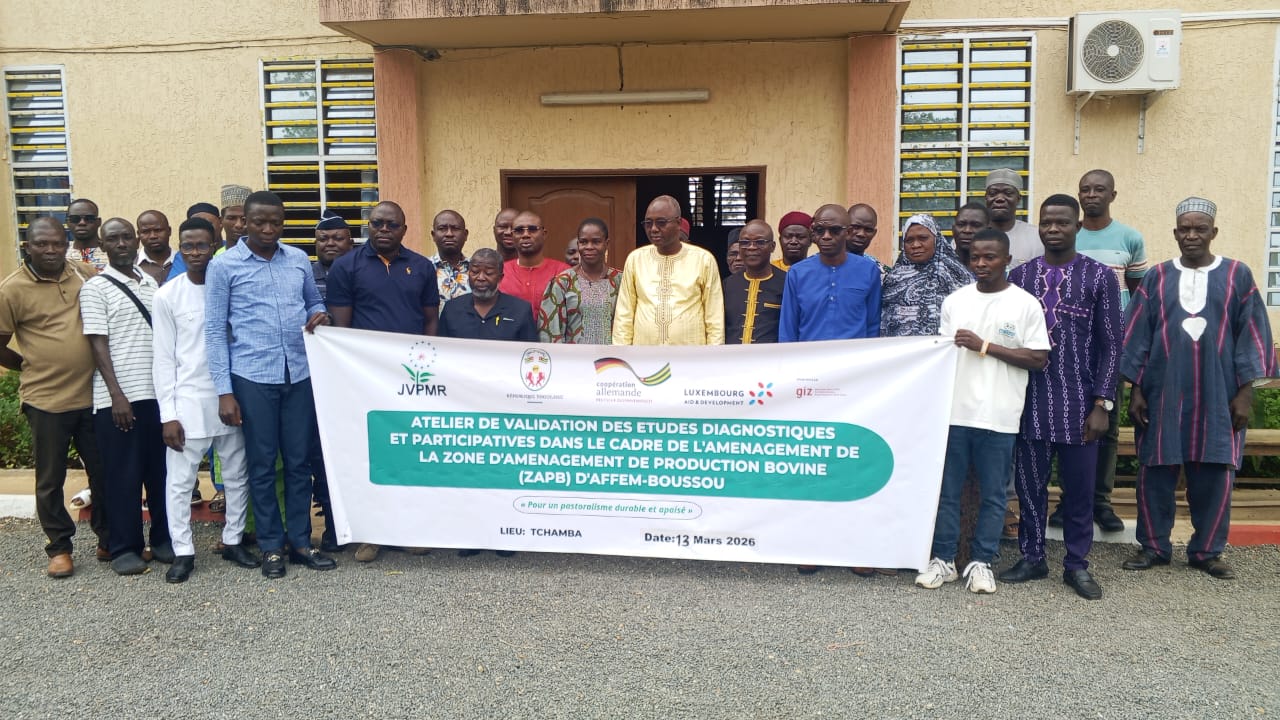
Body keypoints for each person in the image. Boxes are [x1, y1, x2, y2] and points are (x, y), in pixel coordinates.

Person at [1120, 197, 1277, 580]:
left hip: (1218, 393)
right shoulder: (1157, 277)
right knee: (1155, 470)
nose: (1191, 235)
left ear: (1213, 233)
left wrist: (1245, 392)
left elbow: (1252, 333)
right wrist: (1136, 389)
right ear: (1175, 234)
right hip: (1163, 391)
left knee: (1215, 470)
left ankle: (1207, 551)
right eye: (1184, 229)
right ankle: (1154, 547)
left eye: (1199, 229)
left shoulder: (1237, 274)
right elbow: (1138, 333)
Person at [205, 190, 336, 579]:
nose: (267, 229)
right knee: (262, 464)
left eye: (275, 222)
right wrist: (224, 391)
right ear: (243, 222)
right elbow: (214, 331)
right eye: (258, 221)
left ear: (283, 223)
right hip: (252, 376)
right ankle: (270, 546)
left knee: (298, 462)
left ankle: (300, 542)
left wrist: (320, 315)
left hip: (298, 373)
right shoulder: (225, 267)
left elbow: (314, 302)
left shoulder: (297, 259)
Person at [915, 229, 1050, 594]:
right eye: (975, 257)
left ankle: (981, 562)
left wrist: (985, 346)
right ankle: (943, 560)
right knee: (948, 492)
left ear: (1007, 260)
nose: (981, 264)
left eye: (990, 257)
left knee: (993, 495)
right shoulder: (955, 301)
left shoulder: (1025, 304)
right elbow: (941, 354)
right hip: (955, 412)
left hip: (1000, 414)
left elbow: (1038, 358)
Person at [1000, 194, 1120, 601]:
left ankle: (1076, 564)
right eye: (1047, 222)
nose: (1054, 229)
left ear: (1077, 227)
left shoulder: (1100, 277)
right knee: (1030, 486)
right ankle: (1032, 557)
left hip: (1080, 404)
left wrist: (1103, 402)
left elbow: (1112, 345)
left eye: (1063, 223)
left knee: (1079, 489)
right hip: (1029, 402)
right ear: (1039, 226)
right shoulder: (1020, 277)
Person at [326, 201, 440, 563]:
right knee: (370, 455)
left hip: (410, 377)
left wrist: (428, 370)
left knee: (407, 453)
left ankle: (406, 530)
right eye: (377, 223)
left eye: (392, 224)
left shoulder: (421, 267)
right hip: (365, 377)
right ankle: (370, 534)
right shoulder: (347, 267)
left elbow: (430, 322)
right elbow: (341, 329)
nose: (384, 230)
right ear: (368, 226)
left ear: (404, 229)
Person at [0, 217, 106, 578]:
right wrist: (30, 365)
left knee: (103, 472)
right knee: (50, 479)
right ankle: (59, 548)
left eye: (57, 244)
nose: (50, 250)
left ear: (67, 244)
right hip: (46, 401)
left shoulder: (84, 273)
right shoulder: (11, 289)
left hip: (94, 396)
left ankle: (108, 538)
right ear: (27, 247)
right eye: (42, 244)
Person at [153, 217, 257, 583]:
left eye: (202, 245)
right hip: (189, 401)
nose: (195, 252)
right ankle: (183, 550)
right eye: (188, 246)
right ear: (180, 249)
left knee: (236, 474)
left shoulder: (230, 285)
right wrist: (168, 414)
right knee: (180, 482)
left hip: (232, 397)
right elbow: (163, 358)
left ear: (215, 245)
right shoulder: (167, 295)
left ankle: (232, 540)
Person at [1049, 169, 1150, 533]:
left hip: (1110, 349)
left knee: (1105, 425)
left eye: (1099, 189)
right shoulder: (1065, 233)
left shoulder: (1129, 238)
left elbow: (1138, 297)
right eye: (1085, 189)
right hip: (1067, 348)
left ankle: (1100, 502)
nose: (1091, 195)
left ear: (1113, 194)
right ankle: (1067, 500)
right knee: (1063, 424)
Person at [79, 218, 172, 576]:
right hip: (118, 400)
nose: (121, 243)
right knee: (123, 477)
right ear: (103, 246)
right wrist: (117, 395)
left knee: (160, 473)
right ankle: (125, 547)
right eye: (112, 239)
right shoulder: (95, 288)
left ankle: (163, 540)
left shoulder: (150, 282)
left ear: (136, 240)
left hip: (157, 396)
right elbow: (97, 343)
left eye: (126, 237)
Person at [613, 196, 724, 346]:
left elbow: (714, 316)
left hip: (690, 356)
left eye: (661, 223)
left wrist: (713, 356)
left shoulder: (703, 260)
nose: (653, 229)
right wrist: (622, 353)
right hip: (645, 356)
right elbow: (624, 313)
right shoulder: (636, 259)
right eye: (648, 223)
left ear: (678, 223)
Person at [778, 204, 881, 342]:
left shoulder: (869, 270)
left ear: (848, 232)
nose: (826, 236)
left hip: (855, 359)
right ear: (813, 233)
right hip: (809, 360)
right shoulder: (797, 273)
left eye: (835, 230)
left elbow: (873, 325)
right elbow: (788, 329)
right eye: (820, 230)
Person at [880, 214, 973, 338]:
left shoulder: (958, 274)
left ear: (936, 239)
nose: (916, 245)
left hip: (945, 352)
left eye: (923, 238)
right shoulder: (893, 279)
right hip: (899, 352)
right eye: (909, 240)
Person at [538, 218, 622, 344]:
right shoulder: (563, 282)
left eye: (596, 242)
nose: (589, 247)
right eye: (583, 242)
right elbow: (551, 333)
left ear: (607, 243)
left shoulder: (620, 280)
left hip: (612, 360)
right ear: (578, 244)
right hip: (574, 361)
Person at [439, 248, 538, 343]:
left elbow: (529, 354)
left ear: (500, 278)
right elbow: (441, 352)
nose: (481, 278)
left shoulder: (521, 311)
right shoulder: (451, 309)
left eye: (488, 273)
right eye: (475, 272)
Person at [724, 219, 785, 344]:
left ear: (772, 247)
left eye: (760, 242)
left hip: (771, 360)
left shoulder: (786, 283)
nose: (751, 247)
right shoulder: (728, 285)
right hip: (732, 360)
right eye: (745, 242)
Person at [499, 211, 570, 312]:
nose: (526, 235)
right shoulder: (500, 272)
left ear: (544, 234)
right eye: (519, 230)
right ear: (512, 235)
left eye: (532, 229)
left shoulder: (564, 272)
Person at [983, 168, 1042, 270]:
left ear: (1018, 199)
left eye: (1008, 193)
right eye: (993, 193)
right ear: (986, 198)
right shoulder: (971, 236)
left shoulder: (1037, 237)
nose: (1000, 198)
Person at [429, 210, 470, 307]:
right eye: (442, 228)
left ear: (465, 235)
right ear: (433, 235)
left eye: (455, 228)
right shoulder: (423, 269)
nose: (449, 234)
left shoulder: (477, 270)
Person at [312, 210, 355, 301]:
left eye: (338, 239)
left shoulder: (362, 274)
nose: (330, 243)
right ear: (315, 244)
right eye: (323, 239)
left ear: (350, 244)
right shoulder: (305, 277)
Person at [136, 210, 178, 286]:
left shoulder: (185, 262)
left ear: (169, 231)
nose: (153, 236)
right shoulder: (131, 266)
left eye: (158, 230)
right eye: (146, 232)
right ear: (139, 234)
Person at [847, 203, 889, 277]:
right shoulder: (823, 265)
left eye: (868, 230)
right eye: (856, 227)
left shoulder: (880, 273)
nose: (861, 234)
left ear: (874, 233)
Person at [65, 198, 107, 271]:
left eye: (89, 218)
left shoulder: (113, 252)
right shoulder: (61, 254)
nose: (82, 223)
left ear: (99, 222)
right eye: (75, 219)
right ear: (67, 222)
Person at [951, 202, 990, 267]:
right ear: (953, 229)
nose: (967, 230)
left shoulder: (996, 268)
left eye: (976, 225)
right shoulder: (940, 265)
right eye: (961, 224)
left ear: (988, 230)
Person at [220, 184, 251, 249]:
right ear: (221, 220)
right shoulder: (216, 257)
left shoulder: (263, 256)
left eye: (243, 219)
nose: (238, 225)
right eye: (231, 218)